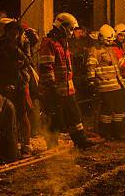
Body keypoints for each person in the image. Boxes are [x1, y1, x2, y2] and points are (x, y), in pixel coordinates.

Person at [39, 13, 94, 149]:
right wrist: (51, 87)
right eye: (69, 28)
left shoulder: (62, 43)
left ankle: (80, 141)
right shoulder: (49, 43)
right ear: (61, 26)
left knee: (74, 115)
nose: (71, 32)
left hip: (68, 89)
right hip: (55, 90)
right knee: (55, 117)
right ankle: (52, 144)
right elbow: (46, 66)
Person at [0, 21, 33, 157]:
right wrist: (12, 65)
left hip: (20, 82)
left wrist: (22, 62)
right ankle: (10, 145)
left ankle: (26, 146)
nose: (16, 35)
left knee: (22, 113)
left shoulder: (23, 43)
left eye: (18, 33)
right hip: (6, 82)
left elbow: (28, 60)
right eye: (13, 32)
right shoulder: (0, 44)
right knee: (8, 114)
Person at [88, 24, 125, 140]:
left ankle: (117, 133)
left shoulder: (111, 50)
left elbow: (116, 67)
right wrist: (91, 81)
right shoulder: (96, 51)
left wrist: (121, 82)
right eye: (108, 40)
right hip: (105, 86)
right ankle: (105, 133)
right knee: (107, 111)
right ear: (101, 38)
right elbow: (91, 66)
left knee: (119, 111)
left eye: (111, 41)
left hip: (116, 86)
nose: (110, 43)